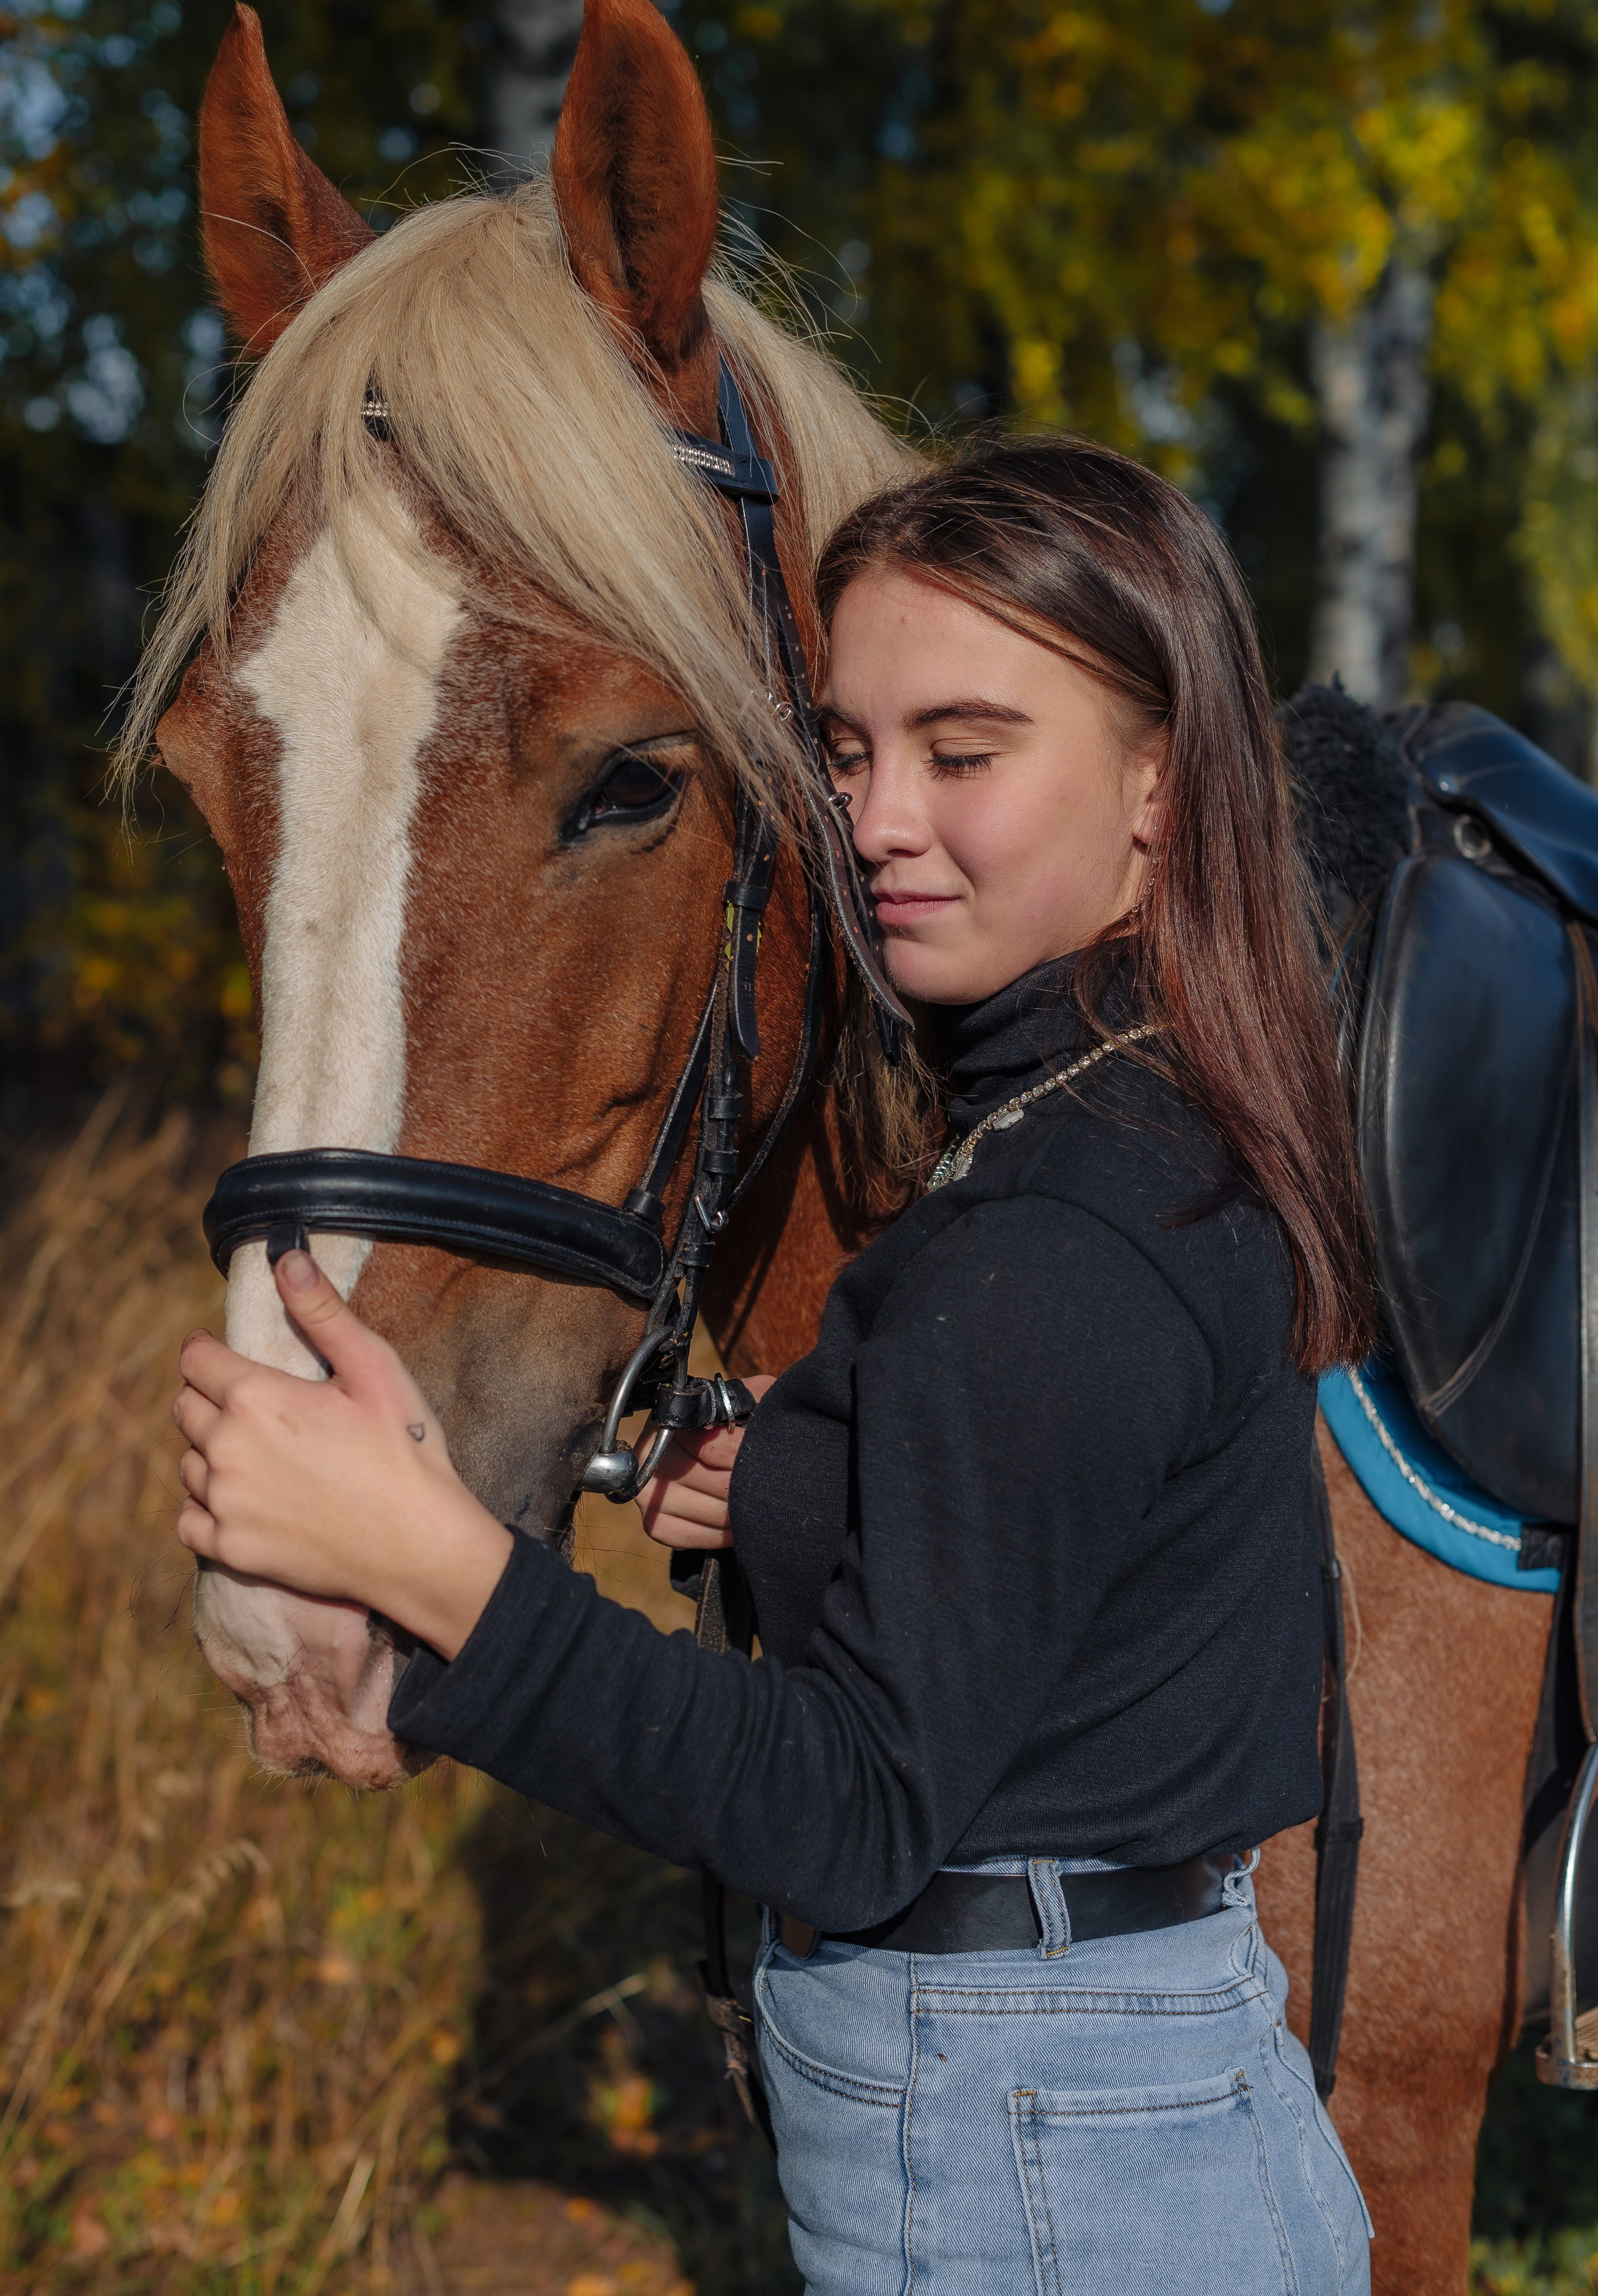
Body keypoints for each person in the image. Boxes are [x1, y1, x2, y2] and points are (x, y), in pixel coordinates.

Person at [171, 436, 1376, 2295]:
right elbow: (1092, 1569)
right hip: (1086, 2112)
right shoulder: (1126, 1120)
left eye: (964, 756)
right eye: (845, 747)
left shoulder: (1056, 1236)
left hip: (1032, 2168)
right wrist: (814, 1468)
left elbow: (851, 1811)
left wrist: (439, 1576)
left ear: (1156, 785)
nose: (878, 820)